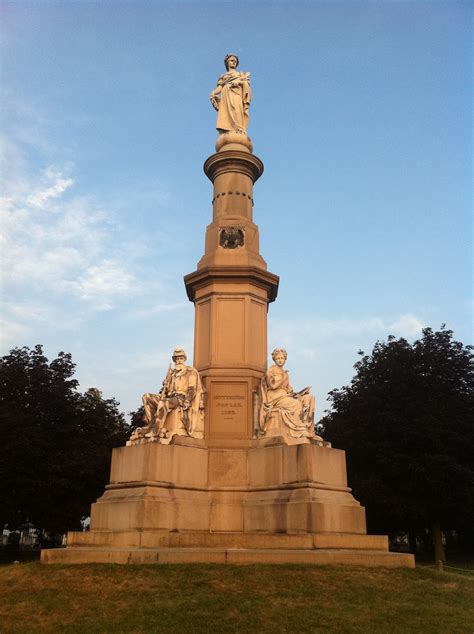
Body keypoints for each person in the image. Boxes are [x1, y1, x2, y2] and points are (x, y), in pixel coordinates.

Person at [131, 348, 204, 443]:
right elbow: (166, 393)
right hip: (170, 398)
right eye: (176, 359)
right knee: (147, 397)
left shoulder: (191, 372)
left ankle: (155, 431)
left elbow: (192, 390)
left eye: (181, 358)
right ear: (174, 360)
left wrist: (187, 400)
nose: (179, 361)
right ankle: (151, 425)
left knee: (163, 403)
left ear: (184, 359)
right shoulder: (172, 374)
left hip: (181, 399)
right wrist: (166, 383)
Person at [259, 348, 320, 440]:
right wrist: (282, 376)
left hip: (285, 396)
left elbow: (289, 390)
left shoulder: (285, 373)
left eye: (282, 358)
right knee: (296, 404)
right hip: (275, 397)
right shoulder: (271, 370)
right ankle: (300, 431)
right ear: (274, 359)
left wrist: (299, 394)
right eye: (278, 358)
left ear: (285, 359)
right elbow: (274, 385)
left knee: (309, 398)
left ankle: (308, 428)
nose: (280, 360)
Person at [210, 53, 251, 134]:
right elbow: (220, 87)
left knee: (237, 109)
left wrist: (239, 82)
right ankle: (227, 130)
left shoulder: (240, 75)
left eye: (235, 61)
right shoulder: (223, 76)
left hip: (236, 94)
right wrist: (214, 93)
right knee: (226, 113)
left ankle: (239, 128)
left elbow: (246, 84)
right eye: (231, 60)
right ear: (227, 62)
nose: (234, 62)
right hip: (226, 95)